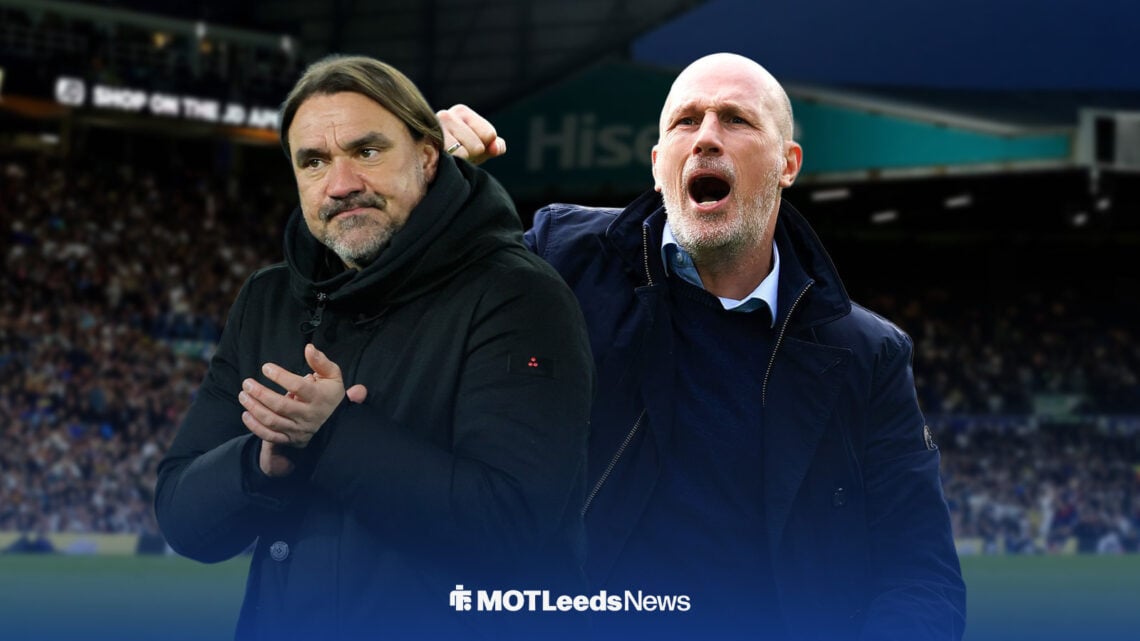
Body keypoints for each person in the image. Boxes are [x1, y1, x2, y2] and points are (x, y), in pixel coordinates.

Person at [438, 52, 967, 640]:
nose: (707, 137)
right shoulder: (561, 259)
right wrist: (422, 186)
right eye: (685, 121)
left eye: (736, 120)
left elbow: (921, 574)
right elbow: (412, 309)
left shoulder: (867, 355)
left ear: (788, 164)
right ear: (659, 161)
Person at [155, 55, 594, 640]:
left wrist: (331, 436)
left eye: (367, 152)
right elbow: (182, 518)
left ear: (428, 157)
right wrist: (260, 466)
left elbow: (513, 528)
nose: (340, 185)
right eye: (314, 162)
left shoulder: (519, 294)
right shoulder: (268, 298)